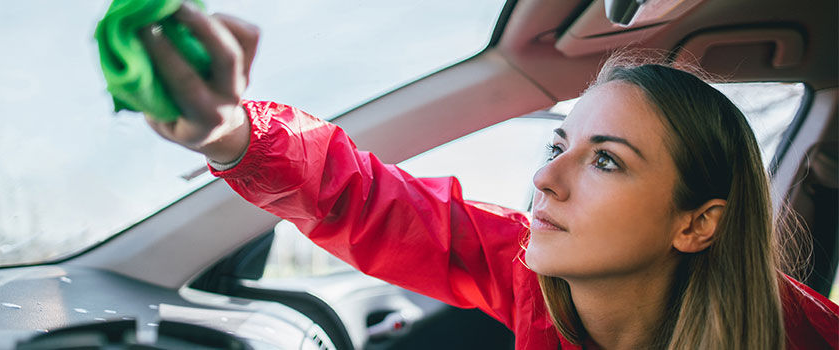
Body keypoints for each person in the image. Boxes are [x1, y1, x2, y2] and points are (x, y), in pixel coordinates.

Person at [137, 3, 839, 349]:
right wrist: (229, 132)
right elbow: (367, 201)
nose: (546, 179)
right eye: (559, 143)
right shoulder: (526, 273)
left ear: (697, 223)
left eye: (605, 160)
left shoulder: (805, 334)